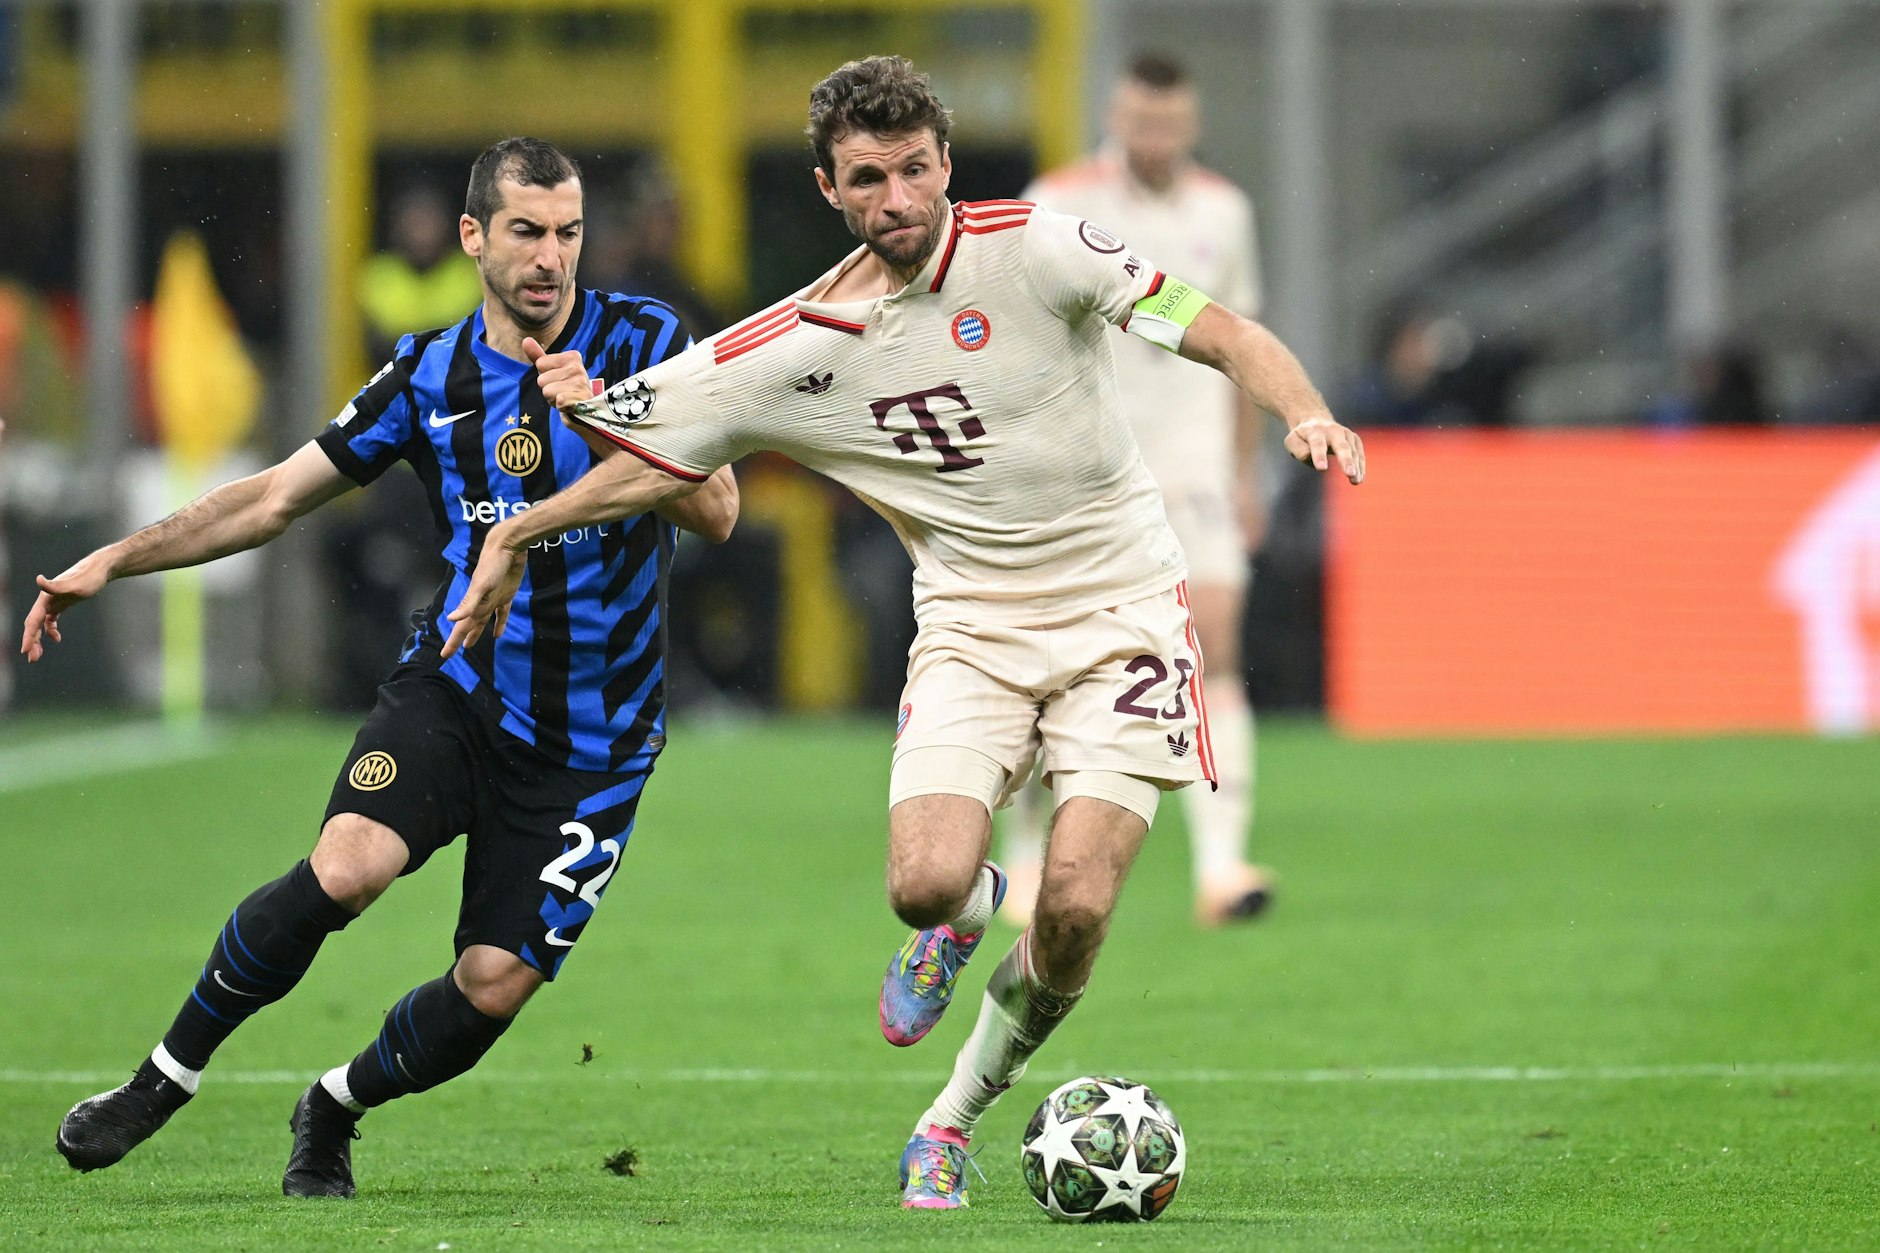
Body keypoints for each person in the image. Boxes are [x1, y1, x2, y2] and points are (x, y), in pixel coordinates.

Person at [441, 58, 1362, 1212]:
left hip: (1123, 611)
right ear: (829, 189)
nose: (898, 199)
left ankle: (948, 1119)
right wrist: (523, 522)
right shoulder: (792, 345)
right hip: (971, 627)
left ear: (943, 162)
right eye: (868, 179)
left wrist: (1305, 411)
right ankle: (965, 915)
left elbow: (1215, 326)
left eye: (915, 169)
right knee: (925, 885)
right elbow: (648, 455)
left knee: (1075, 906)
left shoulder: (1038, 248)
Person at [19, 137, 738, 1198]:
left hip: (595, 742)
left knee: (492, 983)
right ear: (474, 236)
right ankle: (160, 1080)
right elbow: (274, 496)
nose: (551, 257)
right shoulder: (428, 371)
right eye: (527, 232)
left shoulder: (645, 339)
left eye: (569, 232)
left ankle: (335, 1102)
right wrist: (117, 558)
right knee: (347, 864)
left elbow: (717, 510)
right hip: (459, 684)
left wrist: (601, 410)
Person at [1013, 51, 1273, 928]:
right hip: (1086, 471)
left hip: (1194, 469)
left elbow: (1239, 343)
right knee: (1057, 664)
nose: (1154, 135)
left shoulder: (1225, 212)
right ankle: (1024, 851)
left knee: (1214, 648)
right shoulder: (1060, 199)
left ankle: (1222, 866)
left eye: (1169, 121)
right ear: (1114, 117)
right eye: (1140, 119)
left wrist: (1244, 474)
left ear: (1190, 124)